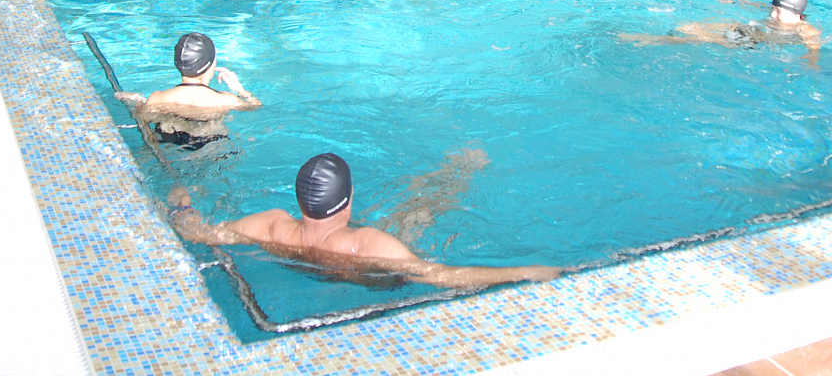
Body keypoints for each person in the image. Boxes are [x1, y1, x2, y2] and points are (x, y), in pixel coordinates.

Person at [169, 153, 560, 289]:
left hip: (307, 266)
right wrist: (526, 272)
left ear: (299, 200)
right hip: (377, 281)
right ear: (348, 199)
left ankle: (450, 173)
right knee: (416, 212)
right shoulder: (367, 243)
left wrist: (182, 204)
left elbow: (198, 233)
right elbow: (440, 276)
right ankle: (459, 172)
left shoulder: (271, 226)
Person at [620, 0, 824, 67]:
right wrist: (737, 0)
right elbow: (758, 6)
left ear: (797, 15)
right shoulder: (781, 14)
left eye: (778, 12)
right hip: (748, 28)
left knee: (699, 38)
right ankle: (669, 35)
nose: (772, 14)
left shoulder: (805, 29)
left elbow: (814, 45)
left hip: (752, 40)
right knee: (690, 26)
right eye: (773, 9)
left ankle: (651, 40)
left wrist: (811, 60)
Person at [118, 33, 261, 149]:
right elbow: (255, 107)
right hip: (212, 147)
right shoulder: (227, 100)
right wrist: (241, 91)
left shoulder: (156, 98)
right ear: (210, 65)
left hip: (168, 143)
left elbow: (144, 124)